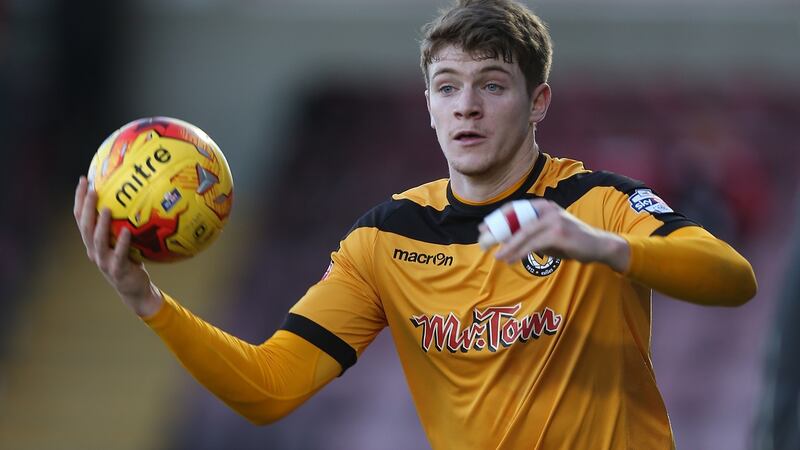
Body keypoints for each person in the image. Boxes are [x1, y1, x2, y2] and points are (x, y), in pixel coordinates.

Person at [74, 1, 757, 448]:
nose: (467, 107)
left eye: (492, 84)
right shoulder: (385, 239)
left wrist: (599, 246)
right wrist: (147, 302)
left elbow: (733, 277)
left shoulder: (595, 201)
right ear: (428, 103)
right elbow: (270, 388)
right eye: (448, 86)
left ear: (537, 101)